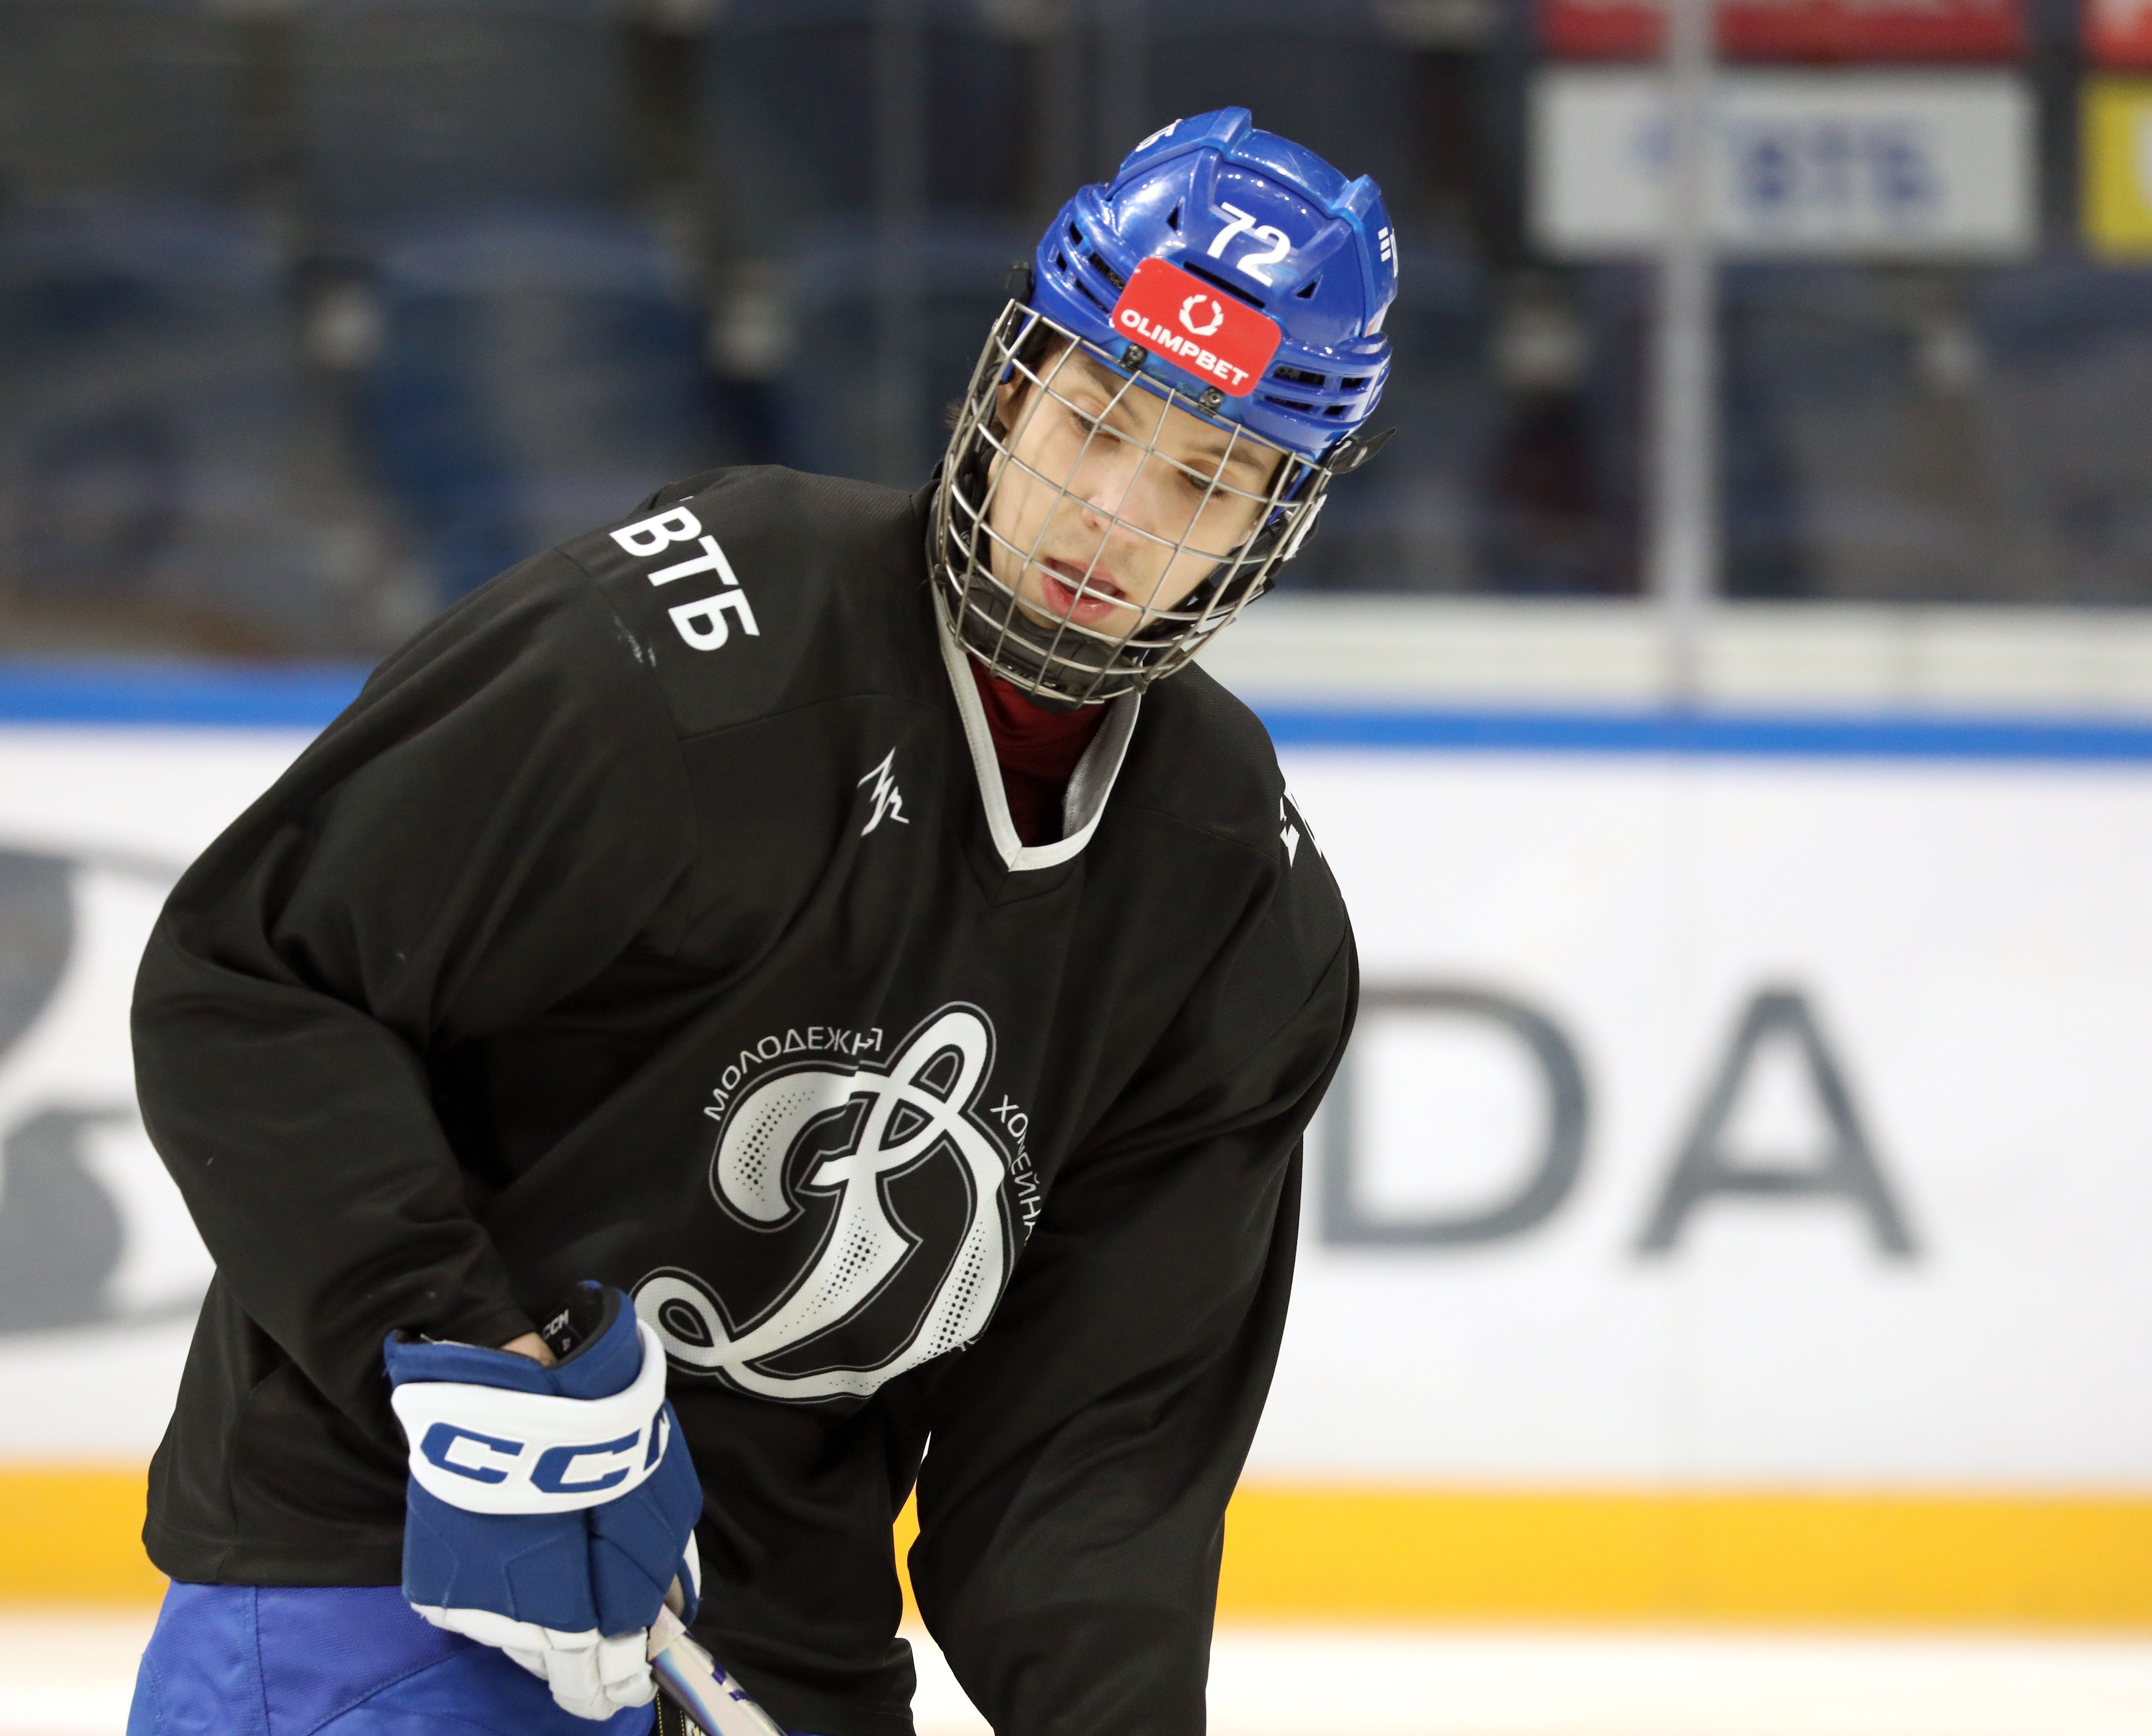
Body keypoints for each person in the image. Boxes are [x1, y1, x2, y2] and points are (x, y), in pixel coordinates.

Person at [125, 106, 1396, 1736]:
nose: (1117, 514)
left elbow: (1093, 1458)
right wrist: (470, 1356)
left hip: (780, 1641)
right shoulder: (688, 653)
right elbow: (251, 980)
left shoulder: (1231, 906)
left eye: (1205, 478)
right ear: (1010, 385)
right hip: (390, 1564)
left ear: (1276, 522)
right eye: (1093, 423)